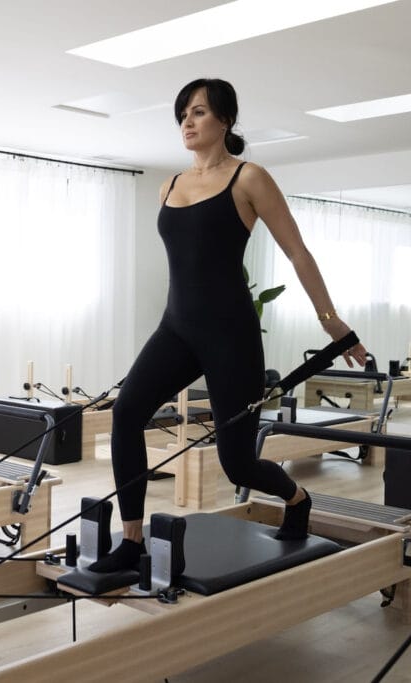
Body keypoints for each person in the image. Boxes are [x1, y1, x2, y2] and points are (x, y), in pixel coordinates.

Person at [90, 78, 368, 573]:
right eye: (182, 116)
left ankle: (298, 499)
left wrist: (333, 323)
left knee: (236, 462)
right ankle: (132, 542)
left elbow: (298, 252)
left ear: (224, 120)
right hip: (175, 328)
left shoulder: (249, 178)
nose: (187, 124)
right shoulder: (169, 185)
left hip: (230, 335)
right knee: (126, 412)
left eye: (197, 113)